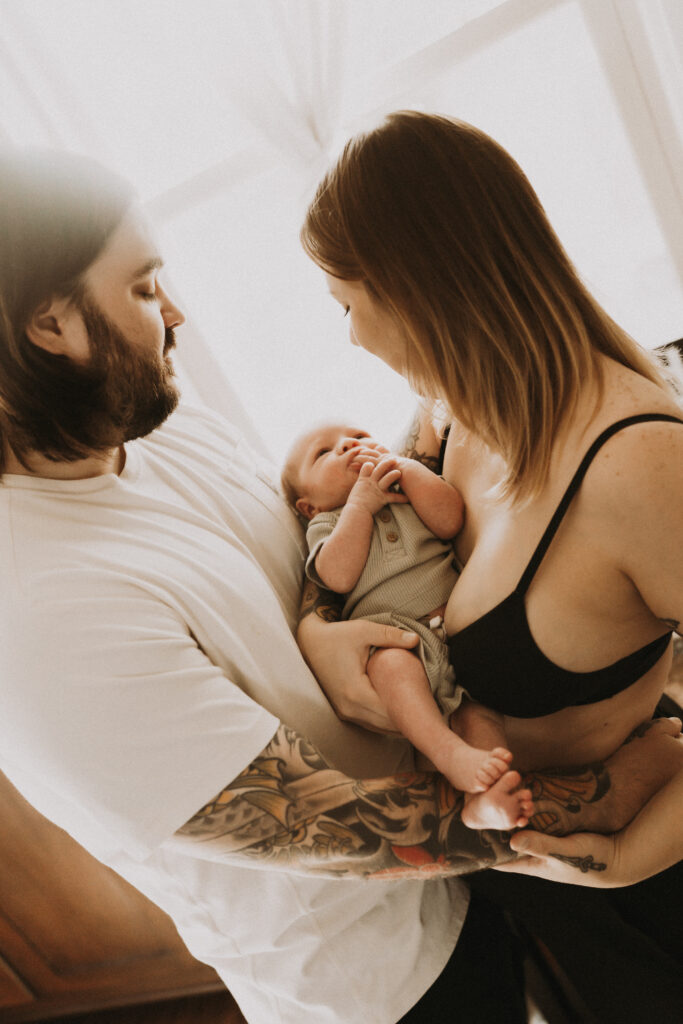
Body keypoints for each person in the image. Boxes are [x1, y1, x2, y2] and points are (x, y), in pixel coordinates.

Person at [0, 149, 680, 1024]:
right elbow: (333, 829)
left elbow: (302, 575)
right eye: (141, 289)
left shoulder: (150, 425)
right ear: (50, 324)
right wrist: (616, 792)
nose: (174, 315)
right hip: (376, 985)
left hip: (487, 891)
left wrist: (318, 630)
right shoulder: (34, 621)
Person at [298, 111, 683, 1020]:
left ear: (413, 288)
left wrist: (635, 855)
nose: (350, 336)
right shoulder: (448, 413)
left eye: (345, 303)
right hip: (533, 889)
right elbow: (353, 570)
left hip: (651, 883)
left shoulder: (639, 464)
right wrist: (321, 637)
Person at [282, 420, 533, 830]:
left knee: (481, 712)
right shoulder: (328, 523)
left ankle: (487, 798)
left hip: (459, 625)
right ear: (308, 505)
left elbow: (451, 520)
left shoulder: (408, 493)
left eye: (361, 437)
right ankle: (448, 754)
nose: (348, 446)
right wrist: (361, 506)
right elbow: (337, 576)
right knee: (392, 668)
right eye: (324, 453)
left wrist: (406, 468)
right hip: (401, 640)